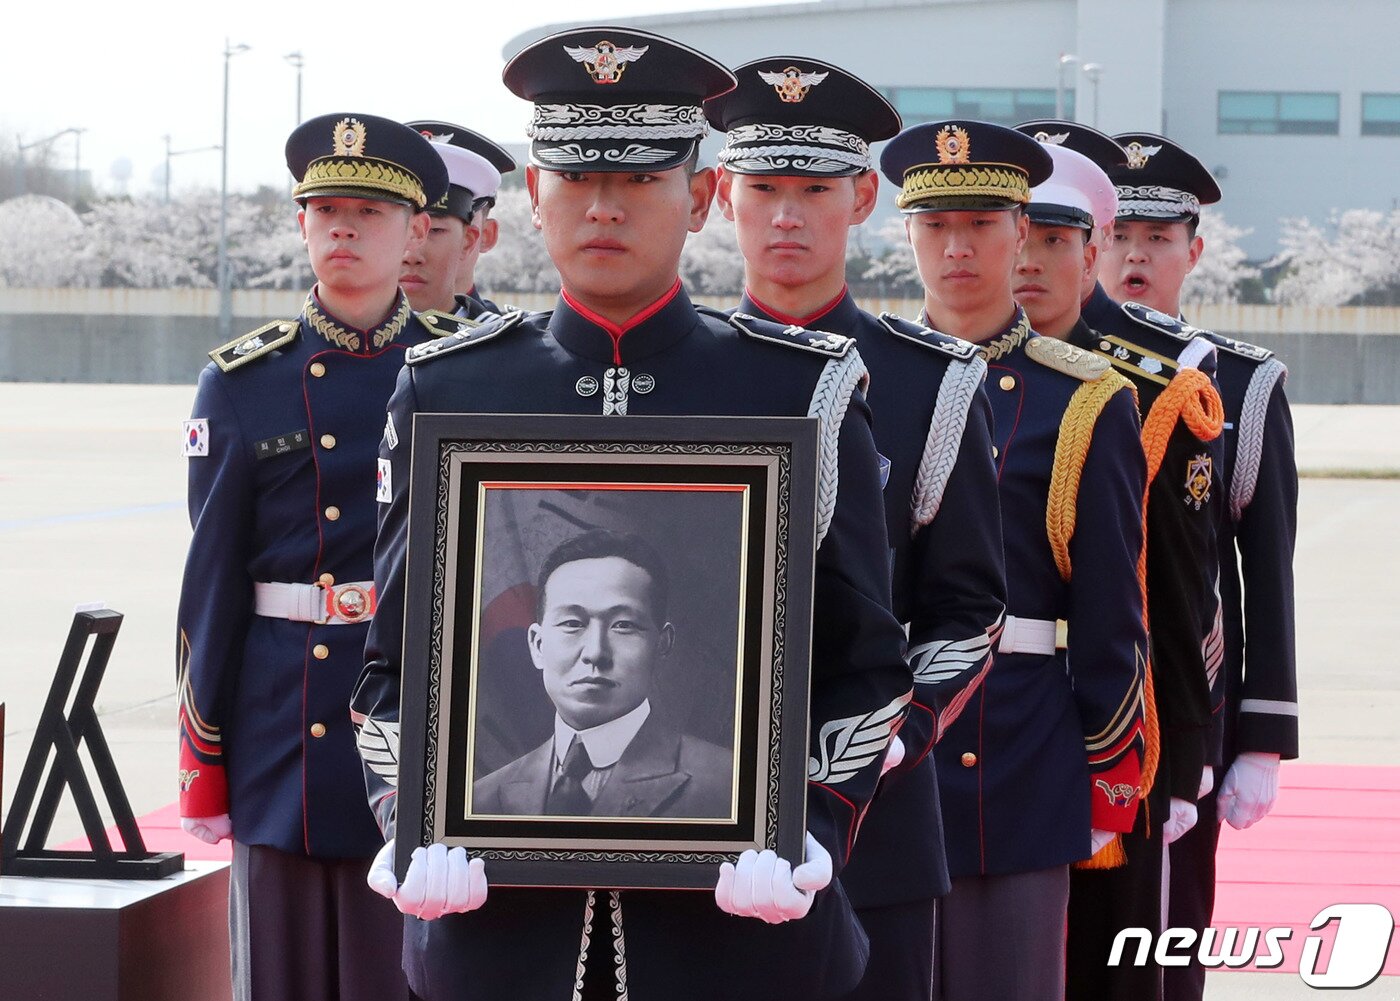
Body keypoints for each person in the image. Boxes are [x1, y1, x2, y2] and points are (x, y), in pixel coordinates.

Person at [350, 26, 913, 1001]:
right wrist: (410, 813)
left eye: (643, 178)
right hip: (498, 937)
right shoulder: (449, 388)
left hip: (736, 943)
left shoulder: (799, 391)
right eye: (575, 176)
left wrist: (810, 824)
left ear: (699, 197)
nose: (604, 205)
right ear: (534, 192)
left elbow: (865, 659)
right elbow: (392, 662)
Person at [707, 58, 1006, 1001]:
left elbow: (968, 607)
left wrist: (889, 737)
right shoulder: (683, 374)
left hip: (876, 817)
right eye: (764, 189)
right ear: (721, 196)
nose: (786, 216)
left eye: (815, 190)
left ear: (864, 198)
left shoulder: (933, 379)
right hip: (691, 804)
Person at [176, 112, 459, 1001]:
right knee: (280, 977)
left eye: (369, 212)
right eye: (327, 210)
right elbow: (211, 584)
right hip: (282, 730)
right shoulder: (243, 381)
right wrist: (202, 758)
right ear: (301, 224)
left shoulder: (459, 370)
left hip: (421, 724)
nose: (344, 228)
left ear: (416, 230)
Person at [880, 120, 1147, 1001]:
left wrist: (1108, 769)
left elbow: (1111, 609)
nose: (957, 248)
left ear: (1021, 229)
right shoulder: (859, 377)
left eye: (981, 225)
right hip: (869, 744)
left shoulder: (1085, 397)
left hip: (1016, 751)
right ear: (907, 234)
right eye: (935, 225)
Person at [1018, 123, 1227, 1001]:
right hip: (983, 723)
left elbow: (1179, 589)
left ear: (1090, 248)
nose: (1027, 259)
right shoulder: (938, 368)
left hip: (1115, 729)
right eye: (1013, 233)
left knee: (1111, 964)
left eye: (1053, 240)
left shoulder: (1153, 386)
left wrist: (1182, 756)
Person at [1094, 132, 1299, 1001]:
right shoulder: (1047, 368)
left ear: (1195, 251)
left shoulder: (1241, 384)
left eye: (1159, 239)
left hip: (1187, 711)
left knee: (1162, 941)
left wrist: (1264, 736)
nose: (1135, 257)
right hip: (1076, 702)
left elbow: (1266, 572)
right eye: (1120, 237)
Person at [472, 529, 733, 820]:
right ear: (537, 645)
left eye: (623, 625)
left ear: (662, 644)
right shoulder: (481, 801)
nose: (595, 653)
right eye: (572, 623)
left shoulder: (729, 788)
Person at [408, 120, 518, 316]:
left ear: (483, 235)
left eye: (435, 229)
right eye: (401, 229)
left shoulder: (510, 334)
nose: (412, 252)